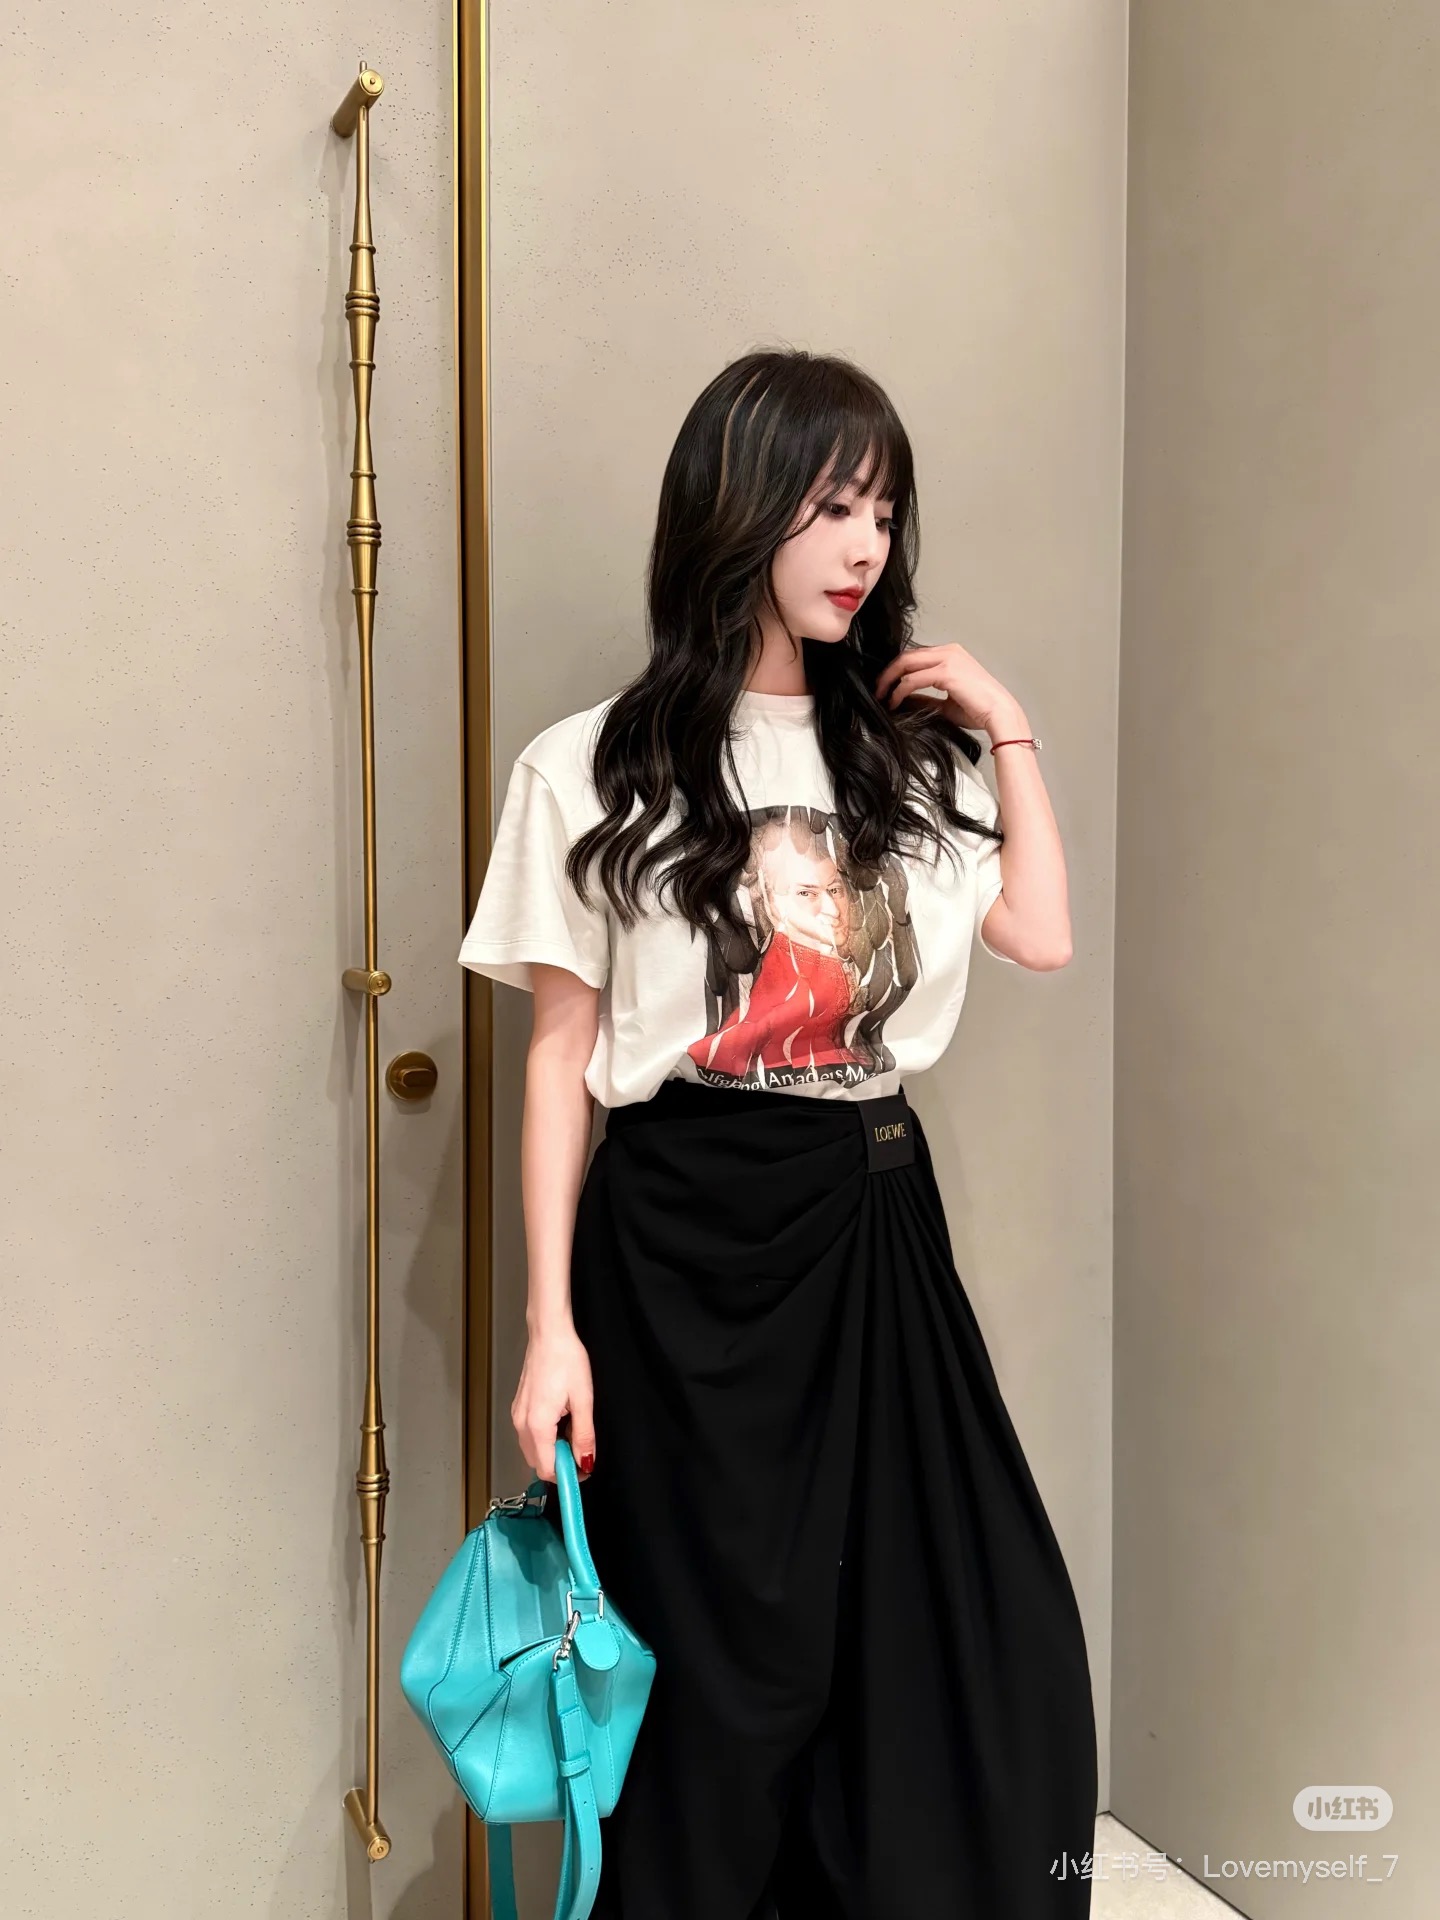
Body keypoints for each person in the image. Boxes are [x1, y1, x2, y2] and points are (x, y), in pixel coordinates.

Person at [458, 347, 1097, 1919]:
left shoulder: (910, 756)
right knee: (713, 1653)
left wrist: (1007, 722)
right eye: (829, 506)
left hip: (872, 1217)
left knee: (953, 1631)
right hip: (682, 1238)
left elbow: (1041, 933)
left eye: (882, 511)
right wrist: (550, 1330)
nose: (864, 546)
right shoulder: (592, 767)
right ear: (736, 510)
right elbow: (560, 1061)